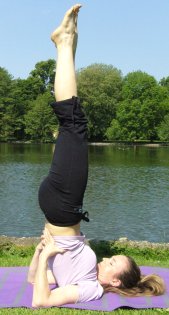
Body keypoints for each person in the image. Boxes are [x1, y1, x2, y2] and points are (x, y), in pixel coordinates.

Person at [27, 4, 165, 308]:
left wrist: (47, 253)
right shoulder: (87, 274)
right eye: (113, 257)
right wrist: (40, 256)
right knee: (73, 126)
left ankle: (64, 42)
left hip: (63, 208)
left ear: (114, 280)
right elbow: (34, 279)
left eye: (112, 261)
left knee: (74, 124)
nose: (107, 258)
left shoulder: (91, 288)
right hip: (61, 209)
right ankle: (68, 42)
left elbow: (39, 300)